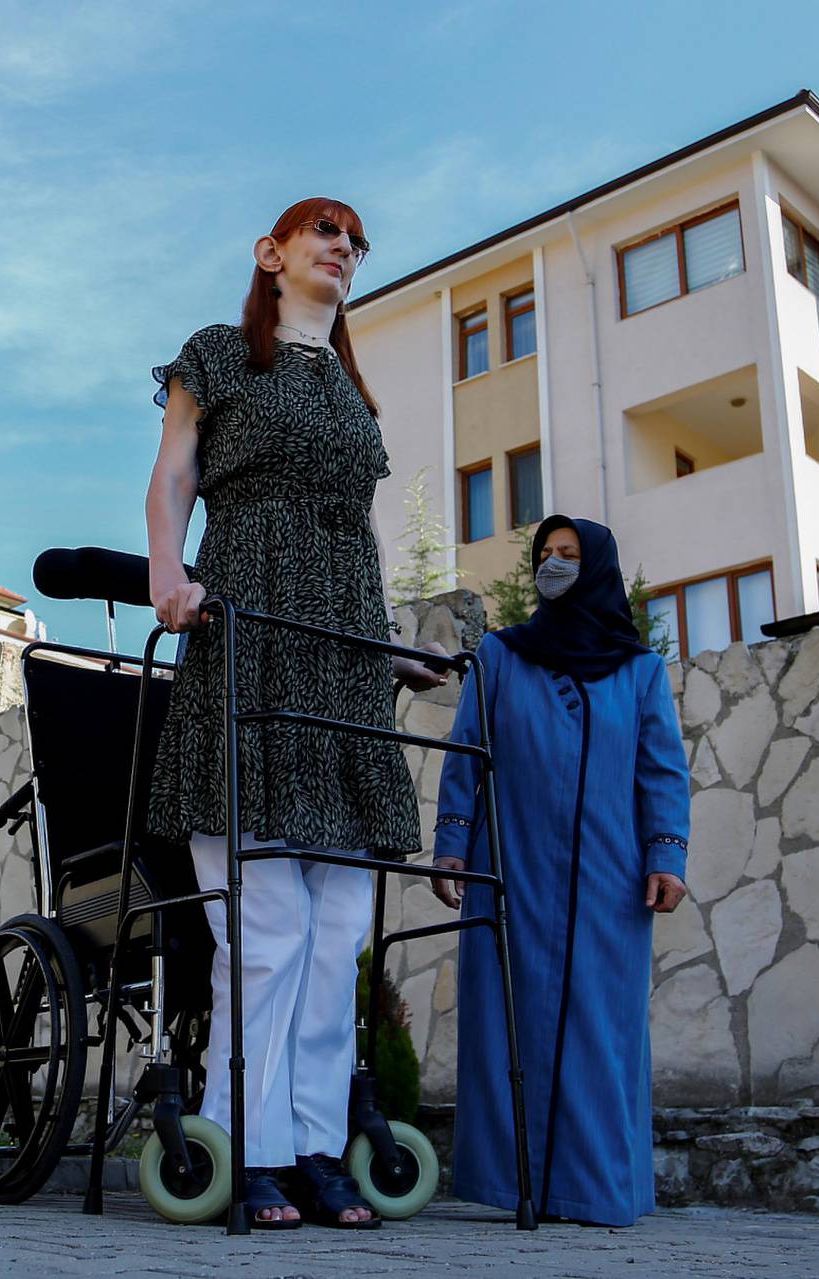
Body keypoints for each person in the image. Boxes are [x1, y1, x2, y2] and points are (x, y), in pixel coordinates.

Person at [144, 197, 447, 1228]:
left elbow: (356, 528)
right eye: (327, 232)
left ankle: (317, 1145)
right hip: (251, 629)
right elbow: (177, 472)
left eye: (358, 241)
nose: (346, 249)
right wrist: (165, 576)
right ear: (272, 252)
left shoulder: (350, 391)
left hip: (346, 651)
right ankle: (250, 1145)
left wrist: (393, 643)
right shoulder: (222, 353)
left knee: (336, 936)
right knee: (267, 928)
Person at [430, 514, 690, 1227]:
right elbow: (467, 754)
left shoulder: (640, 670)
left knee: (600, 1031)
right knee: (507, 1026)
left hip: (609, 879)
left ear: (598, 565)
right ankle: (513, 1184)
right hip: (511, 870)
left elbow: (660, 768)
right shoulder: (501, 656)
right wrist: (453, 844)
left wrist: (667, 852)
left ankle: (595, 1188)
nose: (554, 564)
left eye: (570, 555)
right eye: (545, 553)